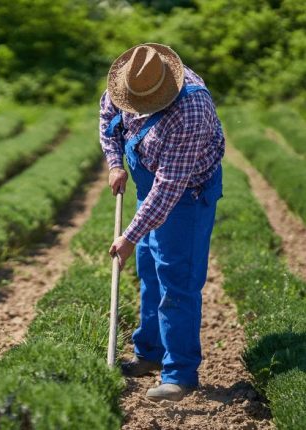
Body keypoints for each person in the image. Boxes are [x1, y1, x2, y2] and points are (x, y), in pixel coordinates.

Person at [99, 43, 225, 401]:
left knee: (177, 279)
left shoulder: (191, 109)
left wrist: (129, 235)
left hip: (186, 194)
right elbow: (108, 120)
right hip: (148, 181)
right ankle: (150, 353)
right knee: (150, 270)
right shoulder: (128, 82)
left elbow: (169, 188)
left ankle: (180, 373)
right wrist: (114, 163)